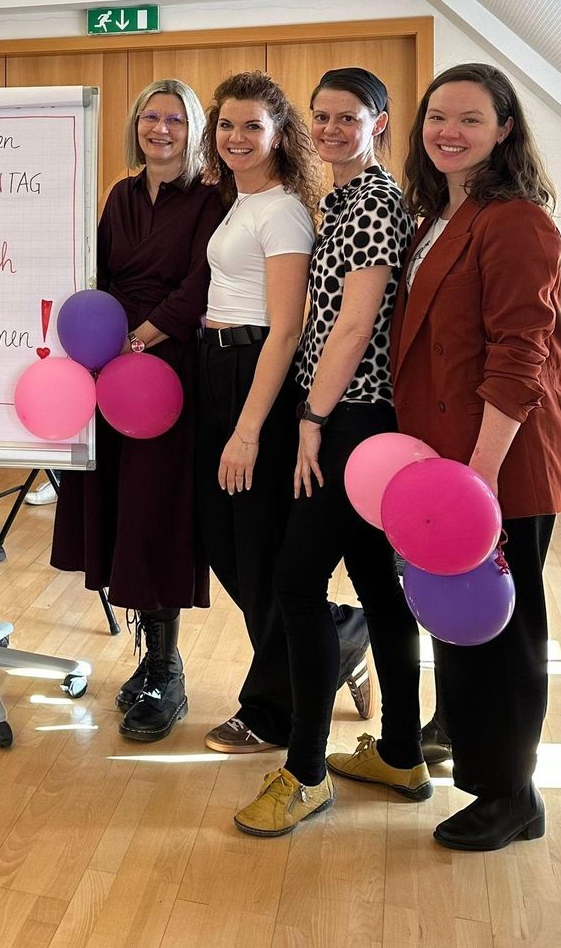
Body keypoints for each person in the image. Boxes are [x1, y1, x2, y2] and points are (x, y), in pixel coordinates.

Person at [233, 68, 422, 836]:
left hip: (353, 419)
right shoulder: (341, 198)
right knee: (377, 582)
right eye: (321, 117)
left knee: (296, 580)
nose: (333, 128)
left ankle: (306, 771)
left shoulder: (375, 201)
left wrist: (313, 418)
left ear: (380, 121)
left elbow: (353, 326)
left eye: (349, 116)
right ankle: (402, 752)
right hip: (347, 416)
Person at [391, 63, 561, 851]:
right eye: (437, 117)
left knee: (505, 632)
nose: (448, 132)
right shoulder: (440, 213)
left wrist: (482, 473)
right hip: (449, 463)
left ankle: (512, 796)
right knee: (460, 622)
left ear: (505, 129)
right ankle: (470, 743)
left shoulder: (517, 220)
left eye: (469, 118)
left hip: (498, 463)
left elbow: (520, 355)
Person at [195, 71, 371, 756]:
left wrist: (246, 429)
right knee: (224, 542)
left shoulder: (285, 210)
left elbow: (286, 330)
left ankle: (270, 710)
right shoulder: (239, 201)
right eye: (227, 125)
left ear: (279, 135)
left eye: (252, 127)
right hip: (217, 368)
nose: (237, 138)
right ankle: (338, 632)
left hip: (255, 378)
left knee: (259, 550)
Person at [51, 79, 225, 741]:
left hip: (166, 370)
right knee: (123, 509)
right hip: (110, 368)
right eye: (150, 118)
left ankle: (164, 667)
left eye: (174, 120)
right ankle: (145, 658)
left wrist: (144, 335)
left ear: (194, 128)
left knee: (158, 513)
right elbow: (95, 273)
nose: (160, 129)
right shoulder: (121, 195)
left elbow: (201, 282)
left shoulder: (210, 199)